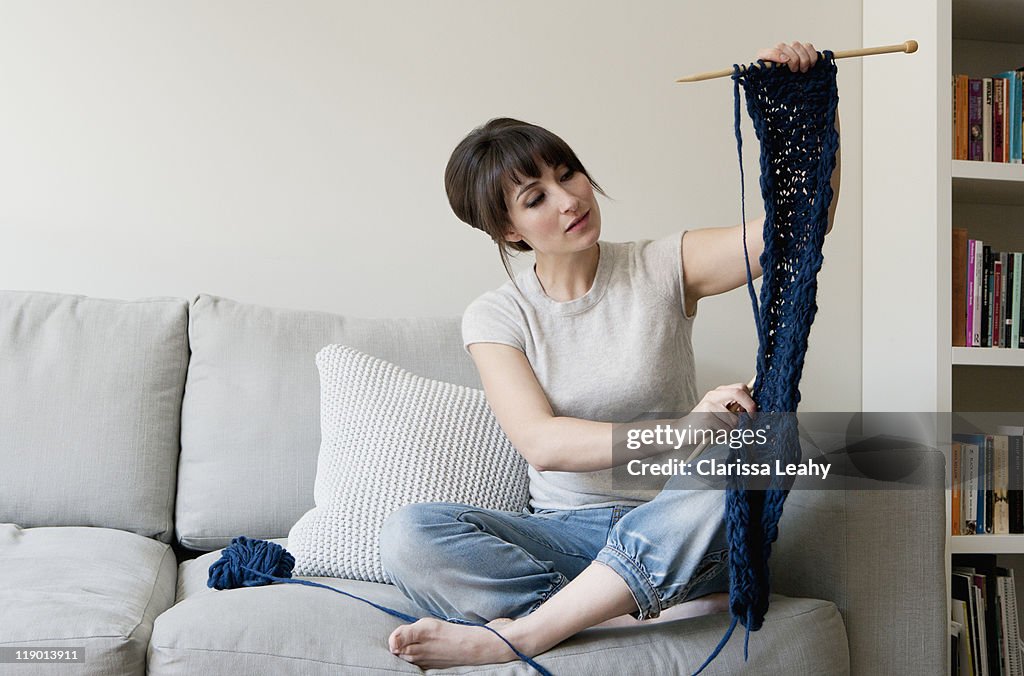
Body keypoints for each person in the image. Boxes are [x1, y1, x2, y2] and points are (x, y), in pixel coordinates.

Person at [378, 40, 840, 670]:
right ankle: (619, 601)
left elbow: (799, 228)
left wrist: (815, 109)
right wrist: (681, 432)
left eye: (566, 174)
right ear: (509, 231)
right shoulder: (497, 315)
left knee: (762, 450)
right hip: (568, 534)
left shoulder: (660, 264)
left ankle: (529, 631)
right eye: (535, 197)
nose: (569, 199)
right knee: (410, 535)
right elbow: (544, 444)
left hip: (679, 518)